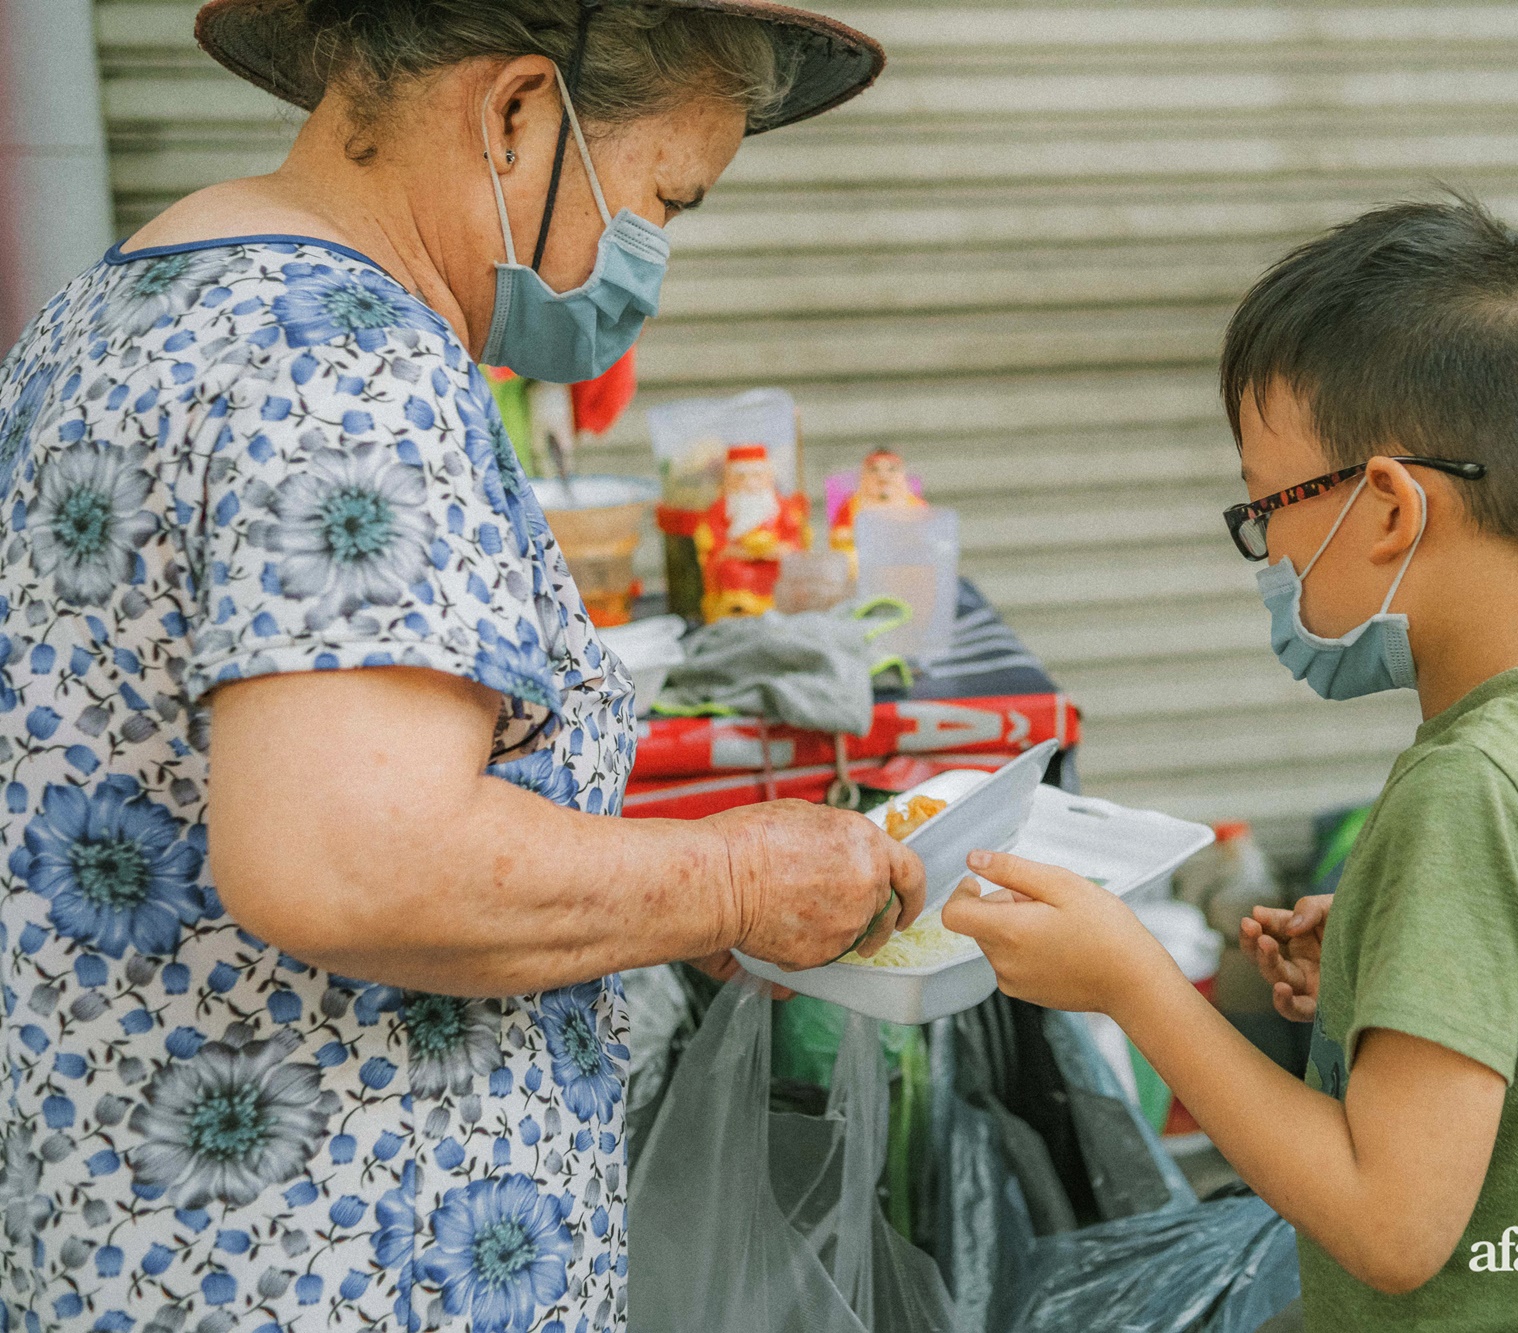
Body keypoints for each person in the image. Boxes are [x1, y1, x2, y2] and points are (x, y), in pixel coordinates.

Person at [0, 1, 921, 1328]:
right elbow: (351, 856)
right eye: (663, 198)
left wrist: (646, 902)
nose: (650, 254)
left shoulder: (125, 300)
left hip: (128, 1246)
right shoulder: (350, 368)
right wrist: (727, 879)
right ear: (515, 116)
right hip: (325, 1272)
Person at [944, 196, 1518, 1330]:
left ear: (1386, 506)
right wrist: (1415, 974)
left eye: (1265, 507)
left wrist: (1129, 979)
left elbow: (1391, 1226)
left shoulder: (1464, 791)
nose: (1267, 551)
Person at [692, 442, 807, 619]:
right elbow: (714, 541)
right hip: (737, 560)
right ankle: (739, 611)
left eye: (756, 476)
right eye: (741, 477)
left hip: (772, 561)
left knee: (788, 569)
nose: (750, 483)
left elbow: (794, 538)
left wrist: (777, 550)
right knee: (730, 571)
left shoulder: (780, 507)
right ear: (730, 479)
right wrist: (742, 551)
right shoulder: (722, 508)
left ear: (767, 477)